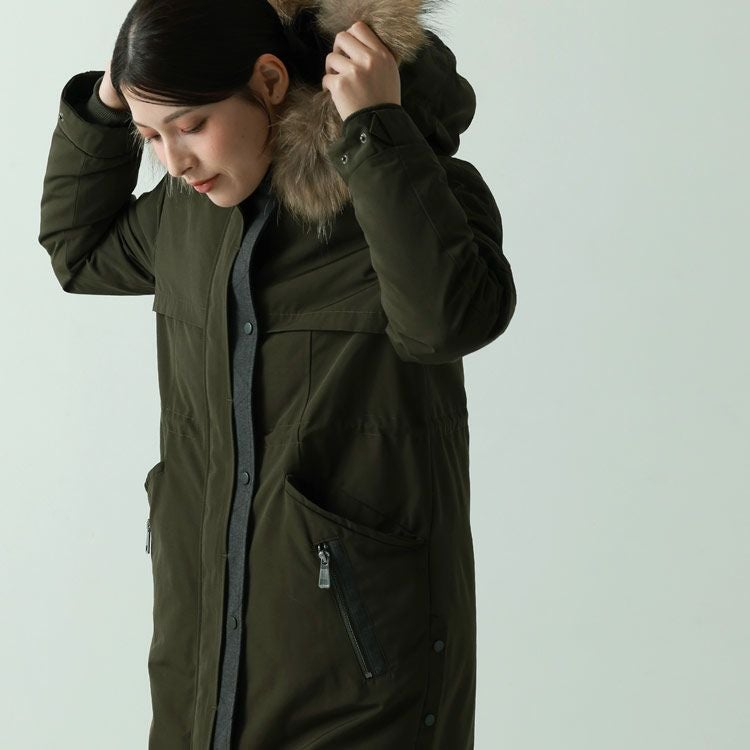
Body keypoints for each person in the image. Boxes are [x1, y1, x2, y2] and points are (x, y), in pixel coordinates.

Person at [38, 0, 517, 747]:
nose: (174, 161)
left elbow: (450, 322)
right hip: (201, 664)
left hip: (360, 683)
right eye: (150, 137)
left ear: (267, 81)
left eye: (191, 125)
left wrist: (376, 131)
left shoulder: (407, 190)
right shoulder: (187, 215)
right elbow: (79, 251)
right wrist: (114, 91)